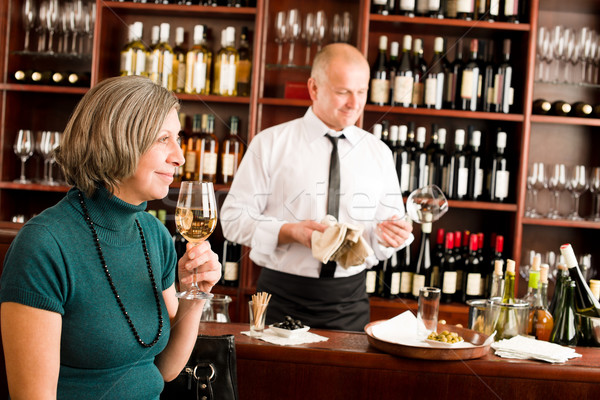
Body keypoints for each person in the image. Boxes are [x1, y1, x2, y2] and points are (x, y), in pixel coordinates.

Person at [0, 75, 221, 399]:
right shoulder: (44, 245)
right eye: (163, 139)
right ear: (118, 139)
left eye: (178, 138)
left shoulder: (154, 235)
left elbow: (165, 368)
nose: (180, 156)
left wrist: (193, 294)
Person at [220, 43, 413, 332]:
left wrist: (392, 236)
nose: (354, 103)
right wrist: (289, 232)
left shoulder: (379, 153)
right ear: (314, 88)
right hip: (281, 297)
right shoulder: (270, 143)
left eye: (361, 92)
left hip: (350, 302)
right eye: (342, 91)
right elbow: (232, 219)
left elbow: (383, 236)